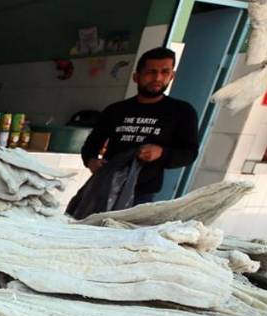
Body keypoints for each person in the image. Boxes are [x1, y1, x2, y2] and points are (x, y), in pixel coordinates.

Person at [81, 47, 198, 205]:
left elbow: (189, 153)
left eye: (165, 72)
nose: (158, 78)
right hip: (106, 186)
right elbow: (91, 145)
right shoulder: (115, 110)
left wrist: (161, 153)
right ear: (136, 77)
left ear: (172, 75)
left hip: (142, 195)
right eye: (151, 72)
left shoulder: (182, 111)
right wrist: (91, 161)